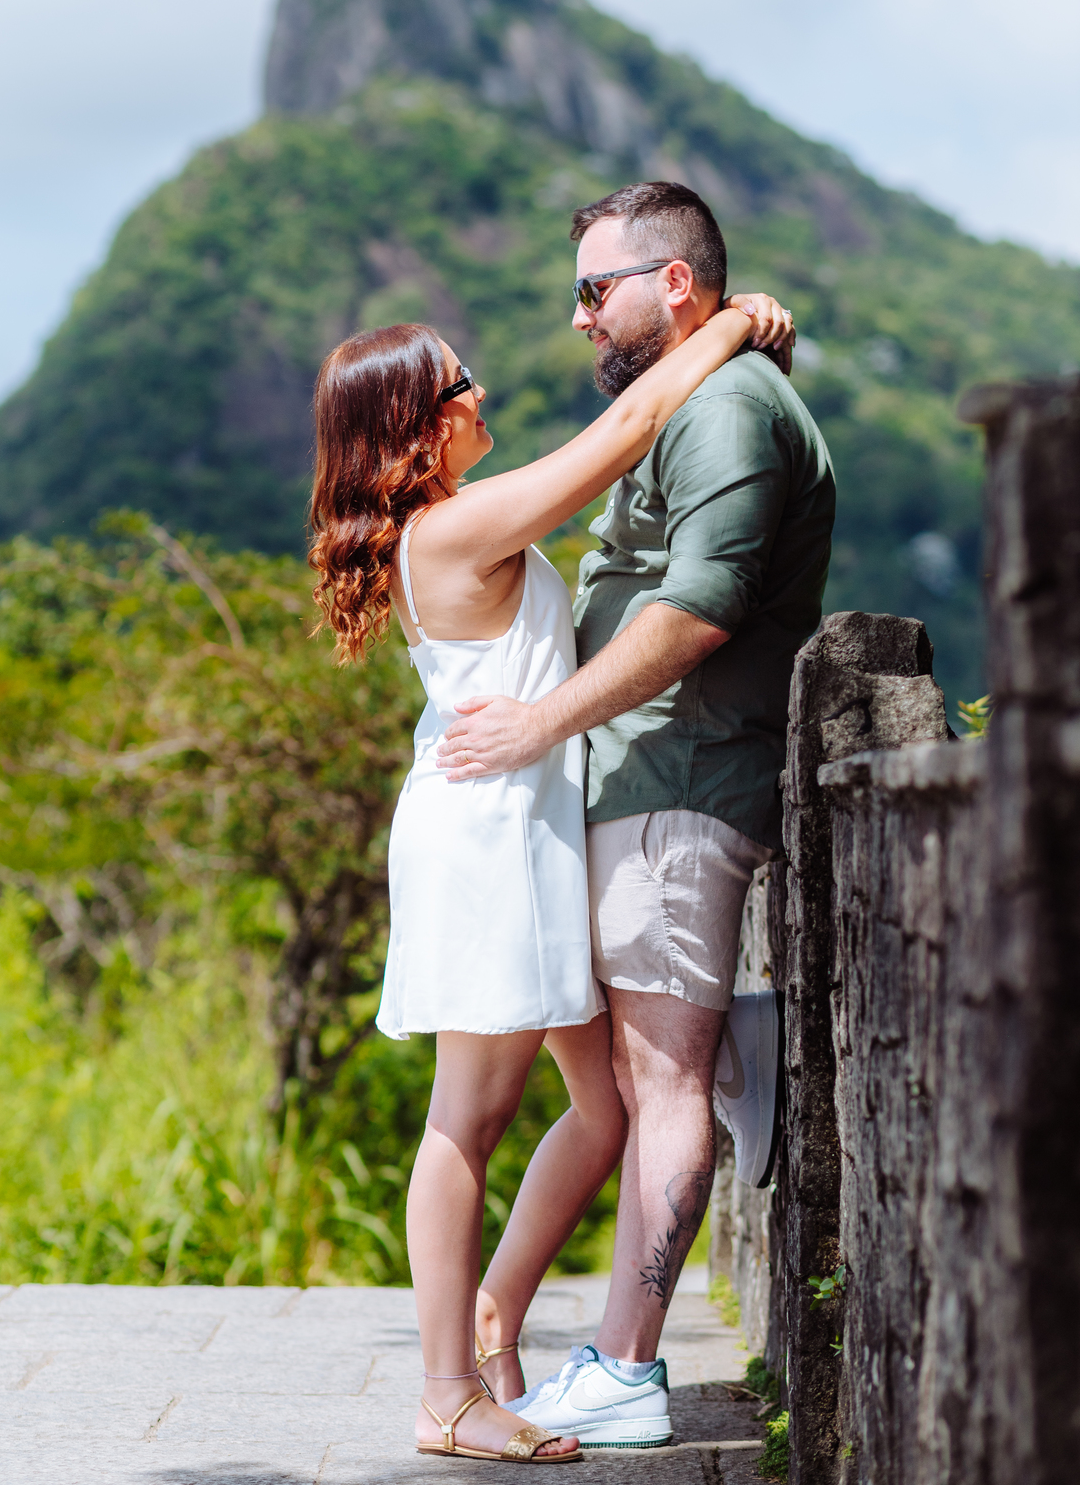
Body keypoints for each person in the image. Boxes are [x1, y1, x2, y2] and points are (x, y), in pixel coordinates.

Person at [308, 282, 794, 1463]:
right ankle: (444, 1394)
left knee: (606, 1105)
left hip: (524, 829)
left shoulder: (458, 517)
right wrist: (732, 325)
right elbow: (621, 438)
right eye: (459, 385)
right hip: (484, 837)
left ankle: (489, 1318)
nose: (483, 396)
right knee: (466, 1119)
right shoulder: (455, 531)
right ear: (418, 426)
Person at [434, 182, 836, 1448]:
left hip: (680, 787)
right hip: (636, 788)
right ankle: (564, 1329)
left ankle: (622, 1370)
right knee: (641, 1075)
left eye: (593, 290)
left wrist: (543, 724)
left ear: (674, 282)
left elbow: (700, 609)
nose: (577, 320)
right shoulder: (689, 394)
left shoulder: (726, 410)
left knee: (657, 1080)